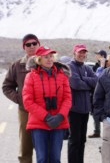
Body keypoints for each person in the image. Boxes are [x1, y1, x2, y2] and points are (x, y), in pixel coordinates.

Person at [22, 46, 72, 163]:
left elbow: (67, 99)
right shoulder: (31, 76)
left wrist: (60, 116)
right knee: (42, 159)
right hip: (39, 123)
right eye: (46, 57)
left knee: (55, 159)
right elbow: (28, 102)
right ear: (39, 59)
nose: (50, 59)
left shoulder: (62, 75)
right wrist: (46, 117)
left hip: (58, 122)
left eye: (51, 57)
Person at [2, 34, 40, 163]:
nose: (32, 46)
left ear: (38, 45)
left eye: (34, 43)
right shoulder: (17, 65)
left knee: (45, 145)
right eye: (28, 44)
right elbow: (7, 86)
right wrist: (20, 99)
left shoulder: (46, 61)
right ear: (24, 47)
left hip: (45, 111)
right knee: (25, 145)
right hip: (25, 111)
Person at [66, 44, 98, 163]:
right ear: (74, 53)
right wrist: (87, 85)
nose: (82, 55)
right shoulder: (69, 66)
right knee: (74, 140)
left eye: (84, 53)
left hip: (85, 110)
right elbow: (75, 84)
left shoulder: (86, 68)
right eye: (79, 52)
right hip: (74, 110)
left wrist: (83, 79)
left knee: (82, 140)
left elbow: (96, 81)